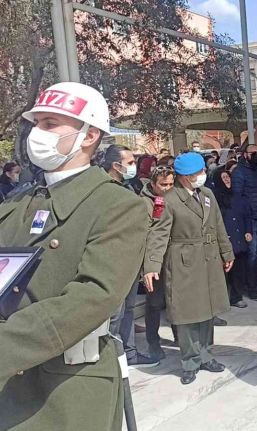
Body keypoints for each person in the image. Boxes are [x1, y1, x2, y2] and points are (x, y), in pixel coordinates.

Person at [0, 82, 148, 430]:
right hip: (9, 384)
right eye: (36, 123)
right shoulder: (19, 202)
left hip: (66, 387)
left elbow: (93, 296)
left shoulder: (116, 205)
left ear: (89, 135)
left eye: (50, 124)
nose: (37, 133)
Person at [143, 152, 234, 385]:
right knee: (186, 314)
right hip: (184, 262)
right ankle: (190, 361)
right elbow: (159, 234)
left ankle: (206, 355)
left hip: (208, 259)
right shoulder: (170, 199)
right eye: (199, 172)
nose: (203, 175)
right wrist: (152, 265)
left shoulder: (207, 194)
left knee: (207, 310)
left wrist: (226, 252)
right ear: (185, 177)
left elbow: (218, 224)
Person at [98, 145, 160, 368]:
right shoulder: (100, 191)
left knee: (129, 310)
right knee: (115, 314)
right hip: (113, 261)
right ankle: (112, 358)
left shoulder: (130, 186)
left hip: (131, 257)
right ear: (116, 165)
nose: (133, 166)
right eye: (130, 162)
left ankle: (129, 353)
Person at [140, 165, 177, 359]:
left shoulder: (176, 198)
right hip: (154, 259)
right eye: (163, 185)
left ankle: (179, 336)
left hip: (174, 257)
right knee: (154, 303)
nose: (168, 188)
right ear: (153, 184)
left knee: (176, 301)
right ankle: (153, 342)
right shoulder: (143, 203)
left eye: (171, 184)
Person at [232, 143, 257, 301]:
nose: (256, 155)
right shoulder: (239, 172)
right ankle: (251, 287)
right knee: (252, 254)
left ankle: (255, 283)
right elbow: (237, 196)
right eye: (252, 153)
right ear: (245, 154)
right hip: (250, 218)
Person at [212, 165, 250, 309]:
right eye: (223, 178)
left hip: (239, 237)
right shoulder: (215, 198)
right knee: (223, 272)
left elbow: (247, 215)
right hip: (225, 239)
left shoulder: (238, 196)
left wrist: (248, 231)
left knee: (238, 270)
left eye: (228, 177)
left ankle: (236, 297)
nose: (227, 180)